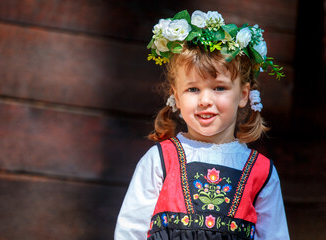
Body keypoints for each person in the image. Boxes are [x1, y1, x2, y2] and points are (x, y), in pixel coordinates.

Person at [115, 10, 289, 240]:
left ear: (244, 94)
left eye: (219, 88)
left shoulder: (261, 172)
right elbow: (130, 232)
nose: (205, 100)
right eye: (193, 89)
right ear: (176, 97)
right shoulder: (160, 160)